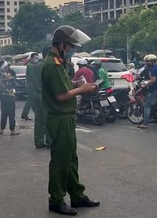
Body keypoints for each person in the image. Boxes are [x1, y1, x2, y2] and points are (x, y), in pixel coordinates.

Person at [42, 25, 99, 216]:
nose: (71, 50)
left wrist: (77, 84)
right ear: (61, 44)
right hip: (59, 118)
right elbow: (61, 95)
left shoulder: (58, 62)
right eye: (70, 46)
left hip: (65, 117)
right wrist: (82, 89)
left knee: (71, 158)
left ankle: (76, 195)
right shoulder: (52, 65)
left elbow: (66, 86)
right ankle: (56, 200)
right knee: (60, 160)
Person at [138, 54, 157, 129]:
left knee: (147, 105)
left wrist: (145, 85)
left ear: (151, 61)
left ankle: (145, 124)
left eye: (147, 62)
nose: (146, 63)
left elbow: (153, 80)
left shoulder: (153, 69)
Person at [32, 47, 51, 149]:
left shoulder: (37, 66)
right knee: (48, 119)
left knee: (39, 120)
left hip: (36, 95)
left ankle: (38, 142)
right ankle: (49, 141)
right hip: (45, 96)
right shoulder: (48, 66)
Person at [0, 63, 19, 136]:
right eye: (6, 67)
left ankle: (2, 129)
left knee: (4, 113)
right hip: (8, 96)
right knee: (11, 113)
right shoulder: (5, 75)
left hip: (4, 96)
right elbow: (9, 83)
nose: (7, 68)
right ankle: (12, 130)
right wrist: (12, 79)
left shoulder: (2, 75)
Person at [20, 53, 40, 121]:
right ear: (31, 58)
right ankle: (25, 114)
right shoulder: (31, 66)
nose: (36, 59)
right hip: (31, 85)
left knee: (33, 100)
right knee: (31, 100)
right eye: (35, 58)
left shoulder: (32, 65)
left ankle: (35, 113)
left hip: (31, 84)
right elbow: (33, 76)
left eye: (37, 58)